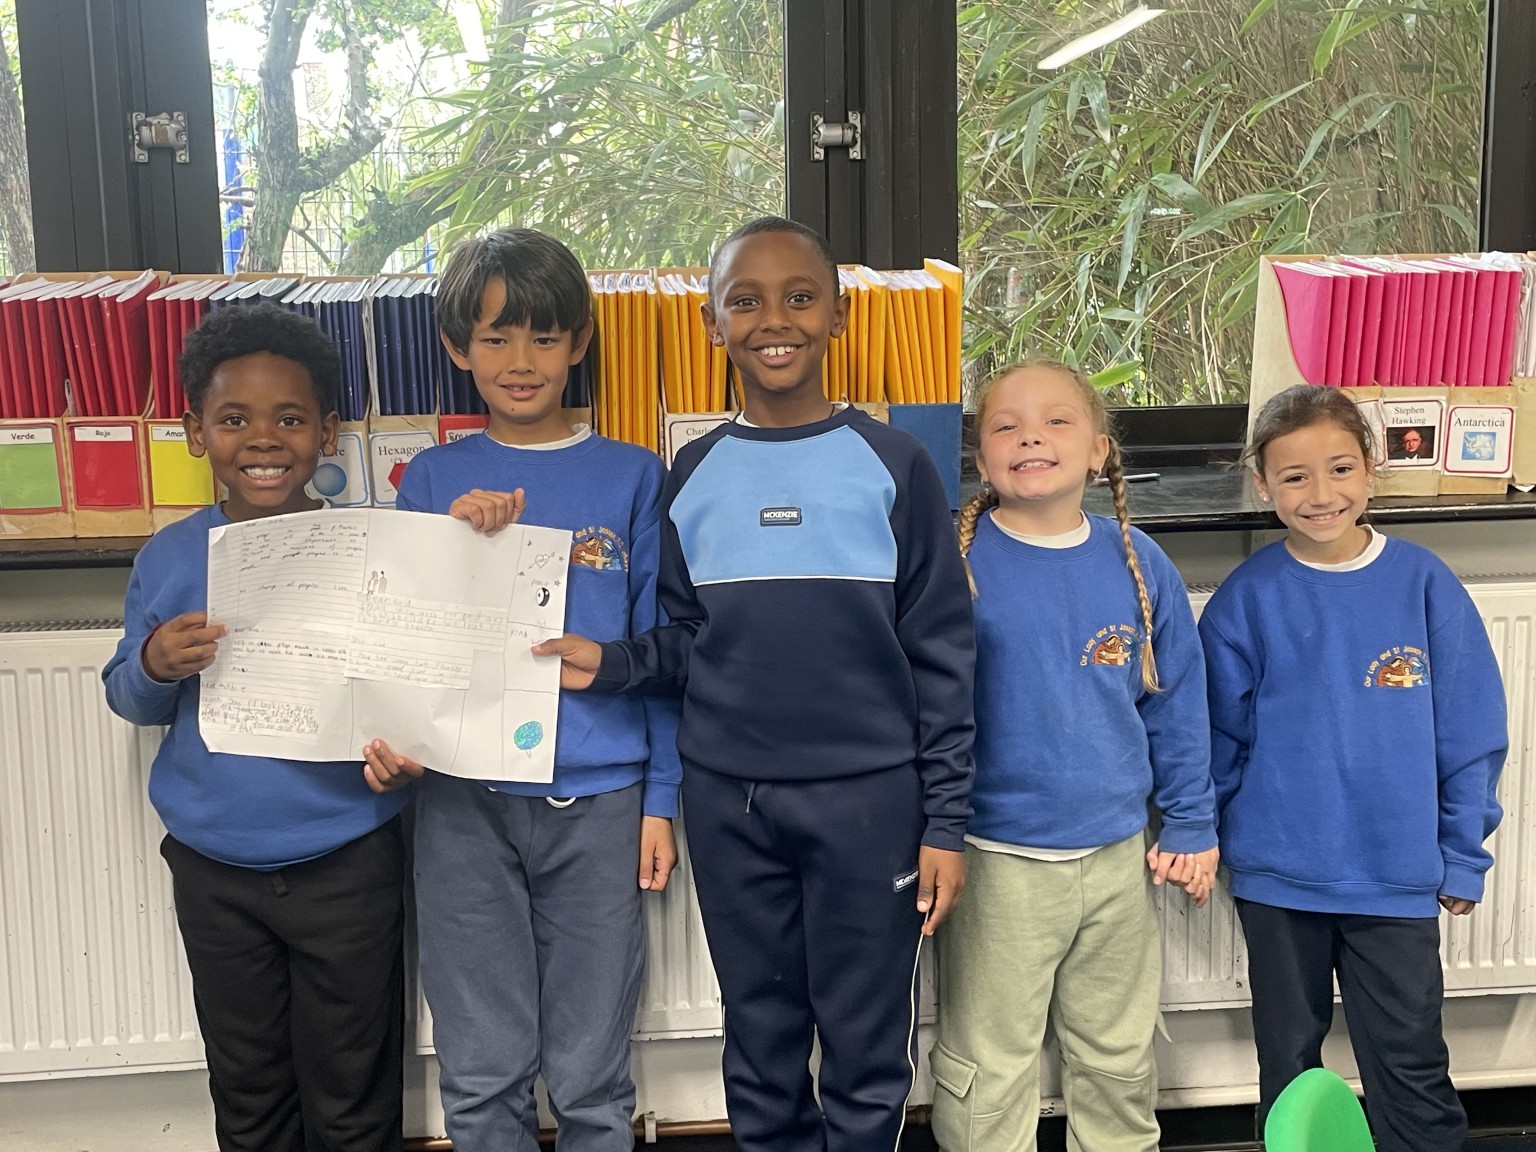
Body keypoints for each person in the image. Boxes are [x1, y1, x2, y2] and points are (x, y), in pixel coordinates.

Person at [536, 215, 976, 1152]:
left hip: (871, 804)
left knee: (866, 1045)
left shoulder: (896, 465)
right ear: (712, 324)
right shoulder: (692, 474)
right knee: (762, 1036)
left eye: (799, 297)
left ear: (838, 315)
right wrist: (612, 663)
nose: (775, 319)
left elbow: (943, 655)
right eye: (745, 300)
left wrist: (944, 820)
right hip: (730, 804)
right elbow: (688, 641)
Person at [368, 226, 681, 1152]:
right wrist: (454, 546)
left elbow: (667, 651)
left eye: (544, 337)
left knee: (592, 1074)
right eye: (496, 337)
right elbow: (401, 642)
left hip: (600, 800)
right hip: (462, 805)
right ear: (457, 347)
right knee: (481, 1068)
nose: (521, 361)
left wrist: (661, 800)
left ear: (578, 343)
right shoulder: (433, 479)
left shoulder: (634, 475)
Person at [102, 302, 411, 1152]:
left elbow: (406, 692)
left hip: (347, 860)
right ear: (196, 432)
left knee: (353, 1096)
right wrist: (156, 663)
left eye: (290, 418)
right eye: (234, 419)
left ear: (328, 432)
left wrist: (405, 752)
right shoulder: (169, 556)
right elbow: (129, 697)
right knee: (247, 1092)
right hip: (216, 871)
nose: (264, 439)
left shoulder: (368, 551)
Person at [1199, 383, 1506, 1152]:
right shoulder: (1247, 599)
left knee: (1410, 1064)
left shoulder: (1424, 584)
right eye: (1294, 476)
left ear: (1371, 468)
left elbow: (1470, 736)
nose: (1320, 493)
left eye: (1339, 469)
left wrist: (1462, 856)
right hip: (1279, 882)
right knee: (1289, 1073)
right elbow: (1215, 742)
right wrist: (1211, 836)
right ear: (1263, 485)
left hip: (1396, 877)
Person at [929, 360, 1217, 1152]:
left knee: (1118, 1055)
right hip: (994, 861)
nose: (1031, 436)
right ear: (980, 458)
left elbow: (1177, 704)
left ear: (1098, 451)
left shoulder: (1141, 563)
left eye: (1057, 420)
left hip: (1119, 857)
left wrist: (1192, 822)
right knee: (988, 1063)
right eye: (1006, 425)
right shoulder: (952, 565)